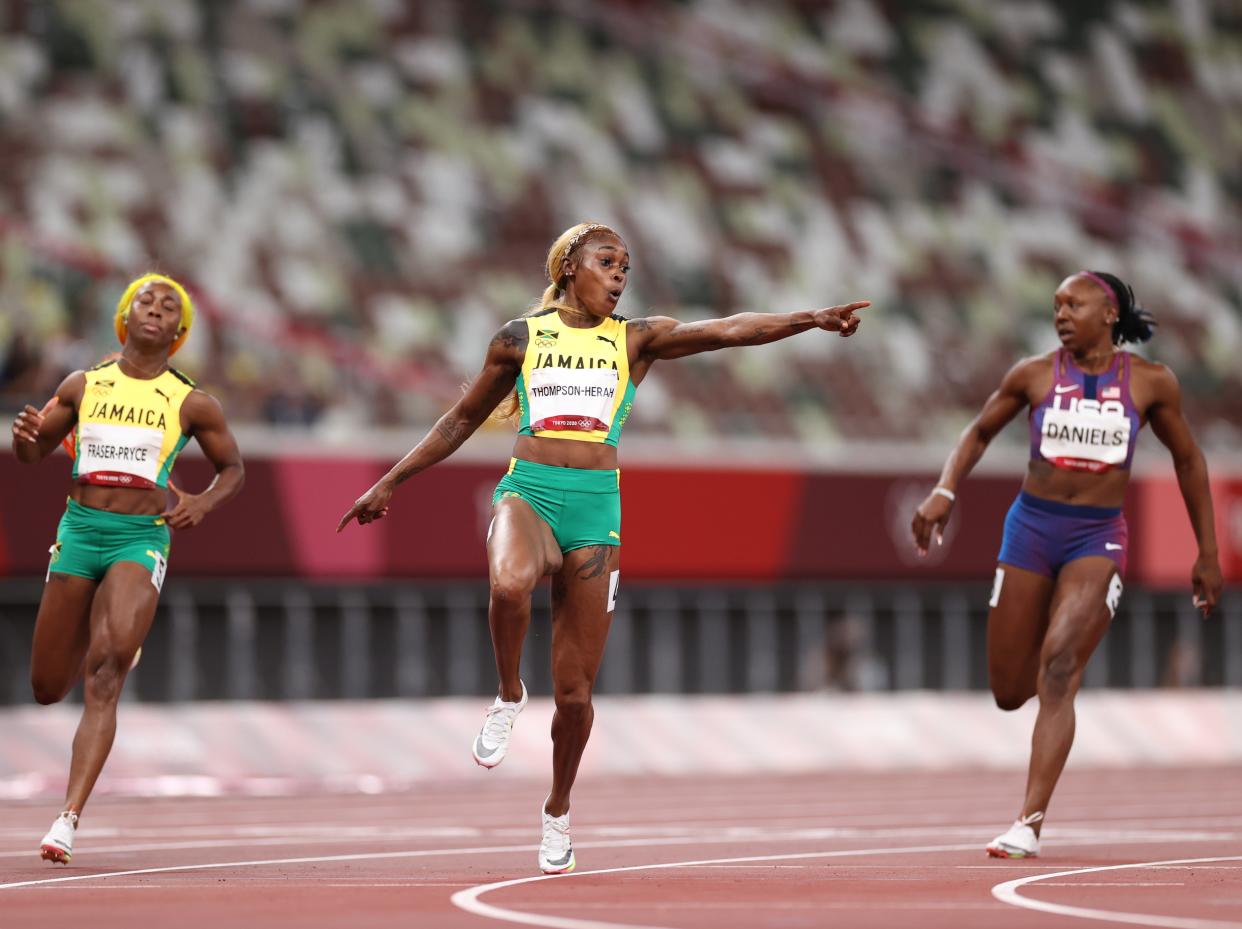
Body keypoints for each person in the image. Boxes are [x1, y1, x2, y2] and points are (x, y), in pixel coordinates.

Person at [338, 221, 868, 873]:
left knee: (577, 697)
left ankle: (557, 809)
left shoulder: (637, 339)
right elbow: (459, 417)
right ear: (568, 269)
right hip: (529, 489)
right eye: (607, 262)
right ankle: (508, 692)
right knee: (508, 584)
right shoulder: (519, 338)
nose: (620, 275)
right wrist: (391, 481)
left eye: (627, 267)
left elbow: (728, 329)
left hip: (595, 508)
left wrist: (810, 319)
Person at [910, 271, 1221, 858]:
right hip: (1030, 531)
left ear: (1108, 313)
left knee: (1057, 670)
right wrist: (945, 491)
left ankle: (1027, 821)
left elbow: (1189, 461)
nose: (1060, 313)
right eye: (1055, 305)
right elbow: (976, 433)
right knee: (1008, 691)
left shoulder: (1152, 384)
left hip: (1096, 538)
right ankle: (1056, 667)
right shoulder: (1031, 375)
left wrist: (1206, 551)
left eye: (1072, 304)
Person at [11, 273, 244, 864]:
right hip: (79, 531)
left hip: (140, 538)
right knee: (44, 687)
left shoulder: (192, 401)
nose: (157, 310)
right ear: (125, 316)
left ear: (179, 331)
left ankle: (67, 818)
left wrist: (202, 502)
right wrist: (25, 439)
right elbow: (36, 453)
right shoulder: (83, 384)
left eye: (170, 307)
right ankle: (111, 629)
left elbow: (233, 469)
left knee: (106, 673)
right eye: (147, 300)